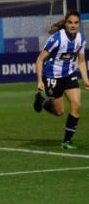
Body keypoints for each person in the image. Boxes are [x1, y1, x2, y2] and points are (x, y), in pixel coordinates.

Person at [33, 10, 89, 149]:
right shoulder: (57, 39)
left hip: (69, 75)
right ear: (65, 23)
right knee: (59, 112)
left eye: (76, 23)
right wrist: (40, 80)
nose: (73, 25)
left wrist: (86, 80)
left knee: (76, 105)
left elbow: (81, 62)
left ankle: (67, 142)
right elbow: (40, 60)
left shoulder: (80, 39)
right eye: (70, 22)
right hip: (52, 76)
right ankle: (41, 101)